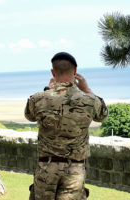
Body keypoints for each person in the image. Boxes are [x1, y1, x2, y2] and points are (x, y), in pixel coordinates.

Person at [25, 52, 108, 200]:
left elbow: (30, 116)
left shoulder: (37, 99)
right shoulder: (89, 100)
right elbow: (102, 116)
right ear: (75, 72)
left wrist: (48, 91)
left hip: (46, 168)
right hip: (75, 170)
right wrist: (87, 90)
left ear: (52, 72)